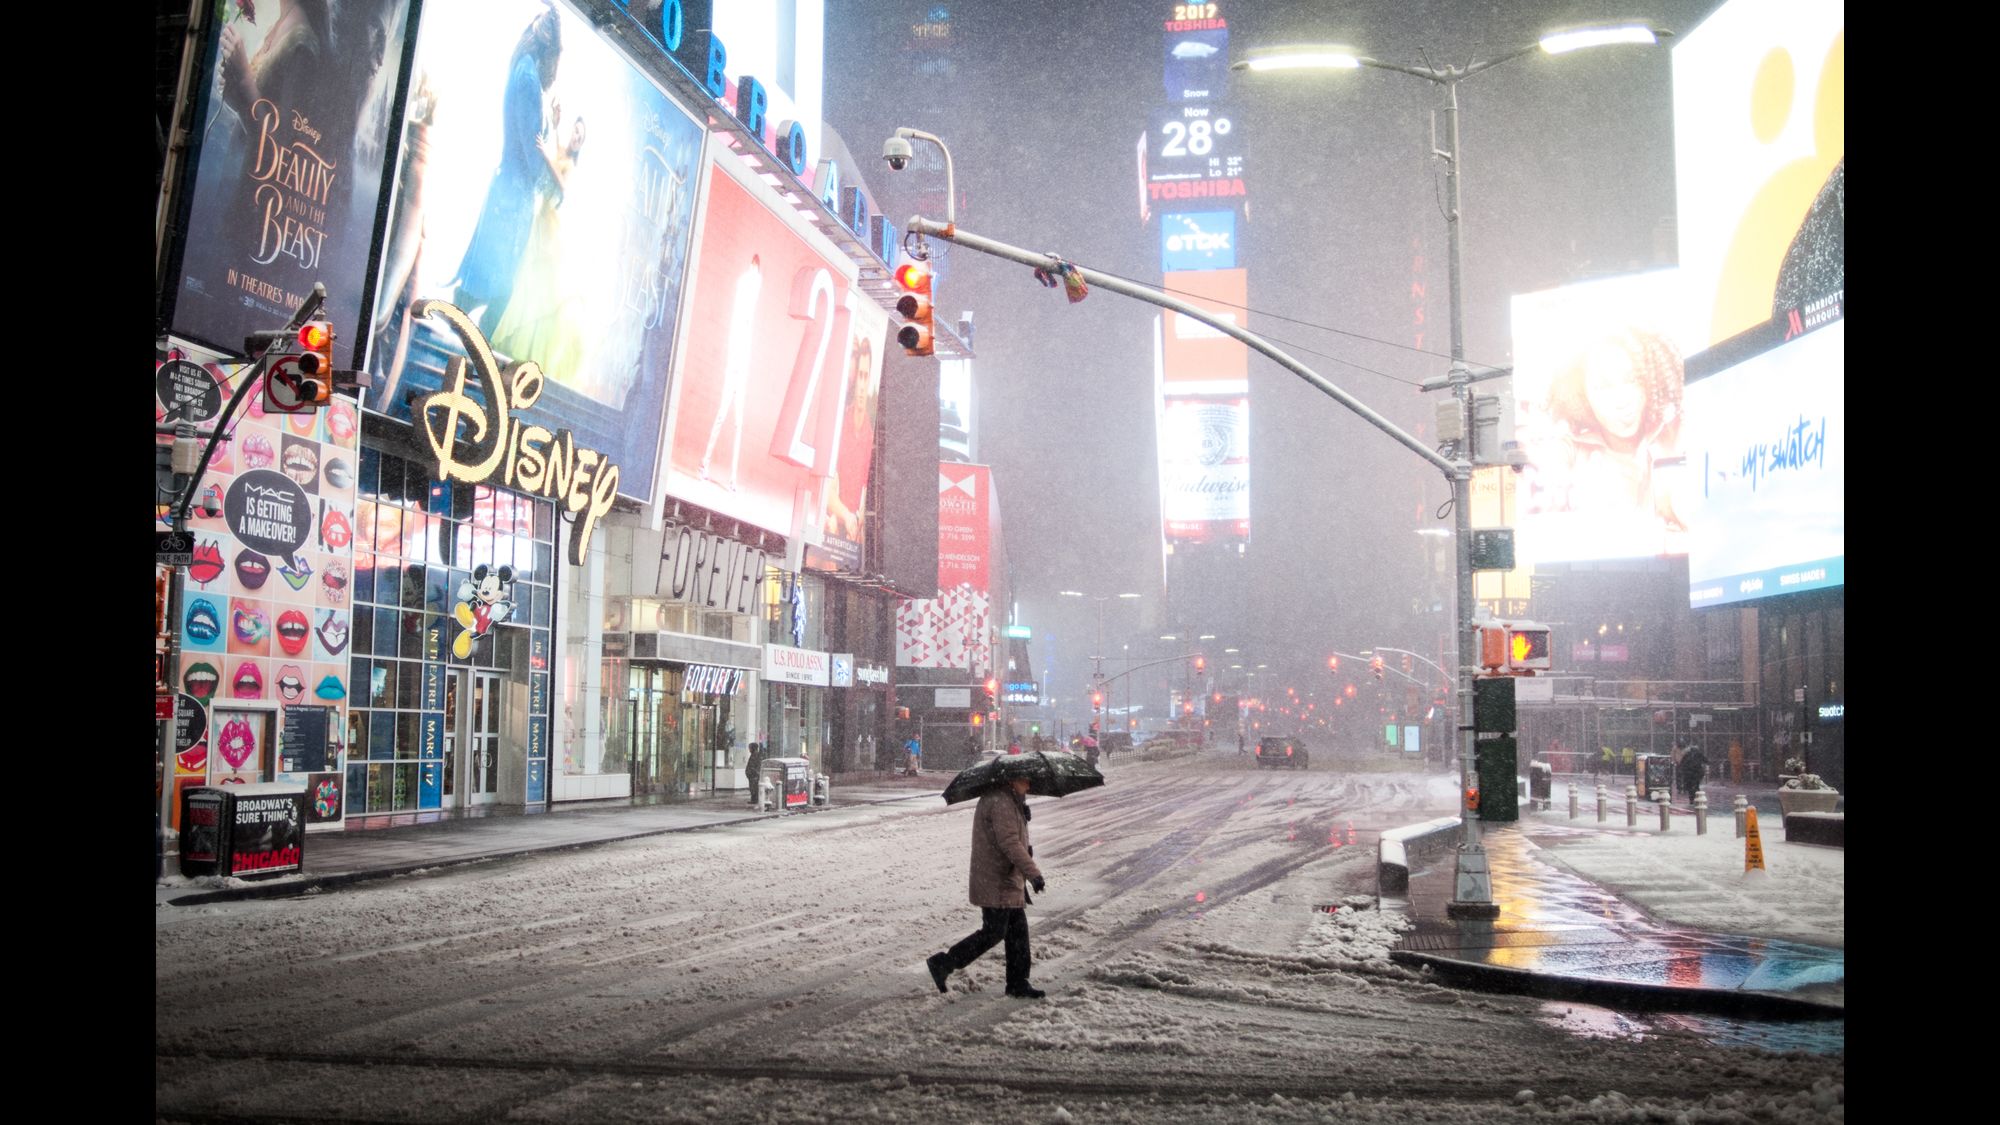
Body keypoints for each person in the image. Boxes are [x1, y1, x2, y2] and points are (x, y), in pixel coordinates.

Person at [451, 5, 564, 335]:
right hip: (512, 201)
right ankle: (472, 364)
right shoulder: (529, 78)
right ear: (550, 51)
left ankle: (469, 361)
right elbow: (532, 153)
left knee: (483, 287)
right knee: (494, 291)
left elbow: (532, 146)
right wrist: (556, 187)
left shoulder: (524, 69)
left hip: (509, 196)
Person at [1524, 326, 1687, 544]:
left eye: (1632, 381)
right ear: (1582, 396)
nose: (1623, 400)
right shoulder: (1569, 450)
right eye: (1604, 387)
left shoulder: (1676, 434)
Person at [925, 773, 1047, 1000]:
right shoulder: (1000, 803)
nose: (1029, 784)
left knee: (1017, 933)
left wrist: (1022, 814)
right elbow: (1010, 843)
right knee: (993, 932)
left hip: (1005, 879)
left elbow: (1012, 838)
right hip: (997, 879)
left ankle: (1018, 983)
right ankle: (944, 962)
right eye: (1025, 780)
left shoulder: (1007, 800)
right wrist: (1034, 874)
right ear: (1012, 780)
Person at [743, 741, 765, 806]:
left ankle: (755, 800)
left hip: (754, 776)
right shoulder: (754, 755)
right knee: (752, 788)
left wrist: (753, 772)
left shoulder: (755, 755)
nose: (749, 749)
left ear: (753, 748)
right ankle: (753, 799)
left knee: (754, 788)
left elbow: (754, 766)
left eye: (750, 748)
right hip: (752, 775)